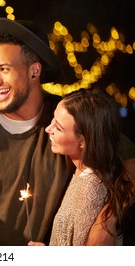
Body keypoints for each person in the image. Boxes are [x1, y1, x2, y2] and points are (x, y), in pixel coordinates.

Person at [0, 17, 135, 245]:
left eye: (4, 69)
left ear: (34, 72)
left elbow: (131, 162)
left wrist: (108, 219)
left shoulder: (69, 116)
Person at [29, 88, 133, 245]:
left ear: (84, 141)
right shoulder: (80, 172)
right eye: (53, 120)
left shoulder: (90, 190)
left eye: (58, 127)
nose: (48, 129)